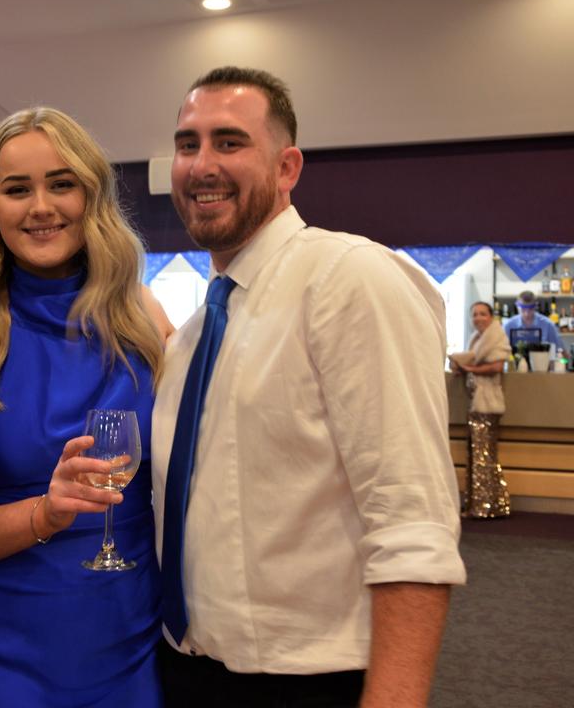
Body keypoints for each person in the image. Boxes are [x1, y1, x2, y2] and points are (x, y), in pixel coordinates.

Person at [151, 67, 466, 708]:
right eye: (188, 145)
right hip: (185, 671)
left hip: (309, 683)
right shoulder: (188, 339)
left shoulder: (349, 280)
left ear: (287, 167)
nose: (201, 164)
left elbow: (412, 521)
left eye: (229, 142)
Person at [0, 107, 173, 707]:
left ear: (92, 195)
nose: (41, 207)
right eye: (16, 189)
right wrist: (42, 515)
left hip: (130, 631)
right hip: (9, 646)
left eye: (61, 183)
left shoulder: (143, 317)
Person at [452, 302, 511, 518]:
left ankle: (484, 506)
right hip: (476, 401)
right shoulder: (476, 339)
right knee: (478, 454)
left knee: (483, 456)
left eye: (482, 314)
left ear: (491, 316)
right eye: (474, 314)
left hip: (488, 403)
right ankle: (488, 503)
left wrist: (469, 367)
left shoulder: (496, 336)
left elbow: (497, 367)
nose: (478, 318)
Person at [502, 290, 565, 356]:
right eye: (523, 310)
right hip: (514, 364)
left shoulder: (548, 325)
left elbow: (560, 351)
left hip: (542, 364)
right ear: (517, 307)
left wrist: (561, 362)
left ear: (535, 307)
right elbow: (500, 351)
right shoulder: (508, 326)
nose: (527, 314)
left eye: (530, 309)